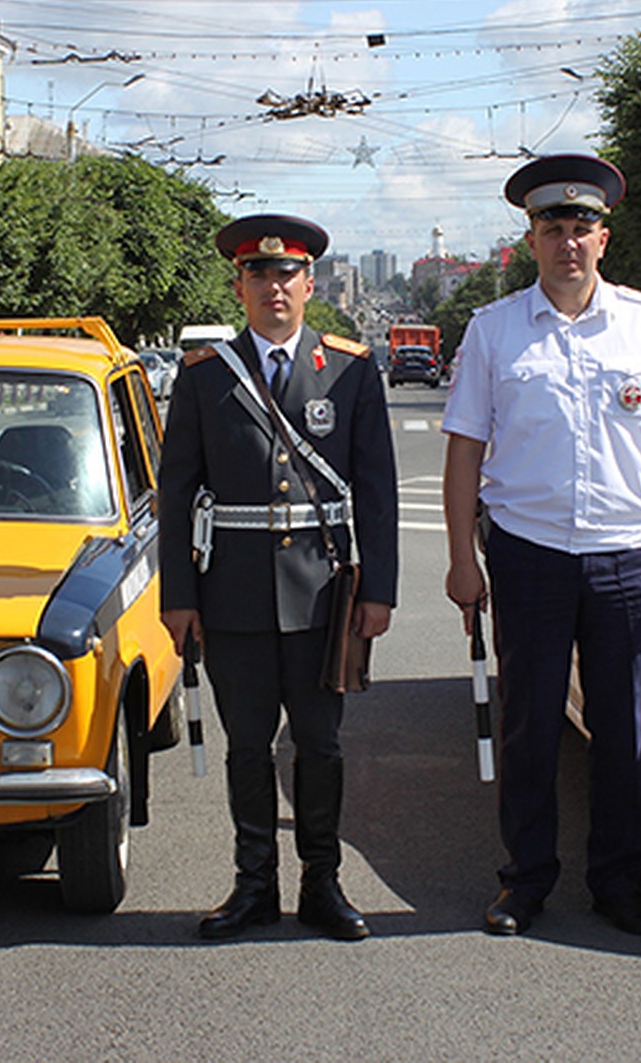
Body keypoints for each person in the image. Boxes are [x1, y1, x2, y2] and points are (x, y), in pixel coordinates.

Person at [442, 154, 641, 937]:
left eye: (580, 227)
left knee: (623, 731)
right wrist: (461, 559)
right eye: (552, 227)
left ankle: (617, 880)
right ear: (532, 238)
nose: (567, 241)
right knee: (529, 725)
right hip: (530, 552)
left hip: (625, 554)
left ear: (603, 239)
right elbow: (463, 453)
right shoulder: (494, 332)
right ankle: (524, 880)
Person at [158, 212, 399, 942]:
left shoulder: (350, 369)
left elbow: (378, 487)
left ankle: (321, 884)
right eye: (259, 275)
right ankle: (253, 884)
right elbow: (175, 493)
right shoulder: (205, 377)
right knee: (247, 747)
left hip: (324, 594)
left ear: (310, 283)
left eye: (287, 273)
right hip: (231, 593)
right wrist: (178, 596)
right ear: (239, 287)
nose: (274, 287)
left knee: (321, 747)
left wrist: (380, 589)